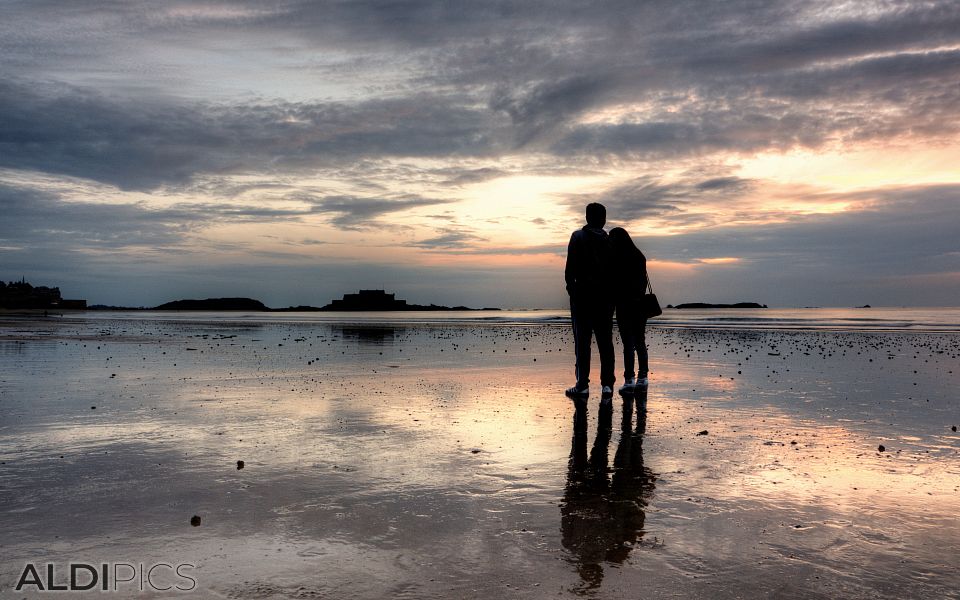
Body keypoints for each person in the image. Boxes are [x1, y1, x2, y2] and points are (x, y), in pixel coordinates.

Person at [564, 203, 615, 399]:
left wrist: (572, 291)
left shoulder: (577, 237)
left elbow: (569, 270)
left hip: (583, 299)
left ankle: (582, 384)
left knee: (583, 344)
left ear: (587, 217)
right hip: (605, 300)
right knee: (605, 344)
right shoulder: (609, 241)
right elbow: (614, 273)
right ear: (603, 219)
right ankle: (607, 385)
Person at [609, 227, 649, 393]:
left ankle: (629, 380)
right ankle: (643, 377)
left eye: (611, 239)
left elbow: (615, 284)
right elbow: (643, 282)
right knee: (639, 341)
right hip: (640, 305)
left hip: (625, 305)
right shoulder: (639, 255)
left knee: (628, 344)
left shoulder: (617, 258)